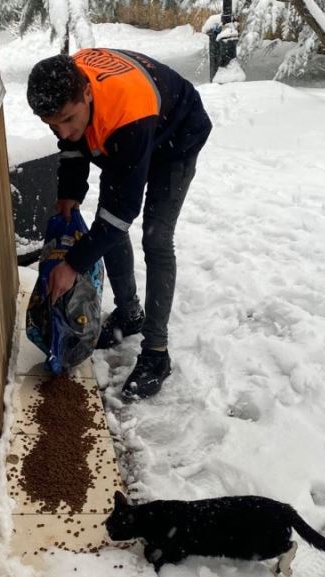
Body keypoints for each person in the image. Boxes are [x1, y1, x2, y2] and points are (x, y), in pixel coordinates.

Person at [27, 48, 211, 401]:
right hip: (128, 132)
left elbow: (122, 213)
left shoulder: (126, 115)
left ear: (85, 93)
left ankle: (157, 354)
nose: (63, 132)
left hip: (176, 135)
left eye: (67, 119)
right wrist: (69, 192)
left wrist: (72, 264)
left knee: (156, 238)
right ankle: (129, 315)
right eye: (52, 125)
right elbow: (72, 147)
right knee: (106, 224)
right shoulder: (67, 86)